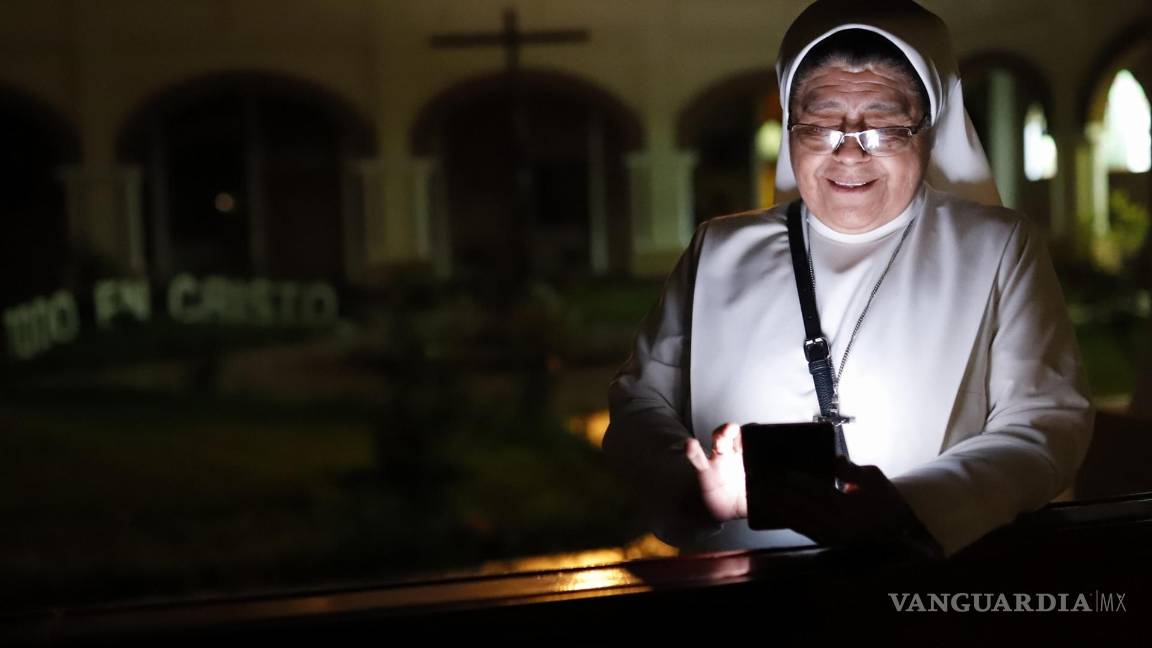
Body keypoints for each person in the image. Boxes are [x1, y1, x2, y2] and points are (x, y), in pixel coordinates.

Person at [602, 0, 1094, 558]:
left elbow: (1046, 422)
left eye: (884, 126)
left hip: (921, 581)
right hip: (744, 586)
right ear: (790, 129)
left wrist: (913, 505)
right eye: (820, 125)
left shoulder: (1000, 248)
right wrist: (692, 486)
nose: (850, 152)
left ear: (929, 130)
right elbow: (640, 400)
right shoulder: (718, 251)